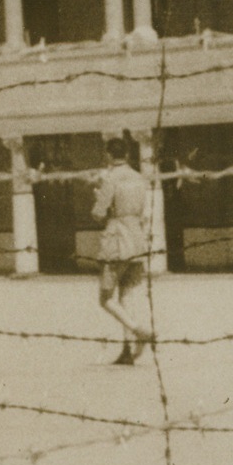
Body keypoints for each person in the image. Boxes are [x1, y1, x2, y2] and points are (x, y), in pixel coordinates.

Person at [91, 136, 152, 365]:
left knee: (106, 298)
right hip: (137, 239)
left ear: (108, 155)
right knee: (127, 294)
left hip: (117, 241)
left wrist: (98, 195)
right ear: (126, 155)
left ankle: (139, 331)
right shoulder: (139, 178)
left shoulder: (110, 179)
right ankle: (127, 351)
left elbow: (98, 213)